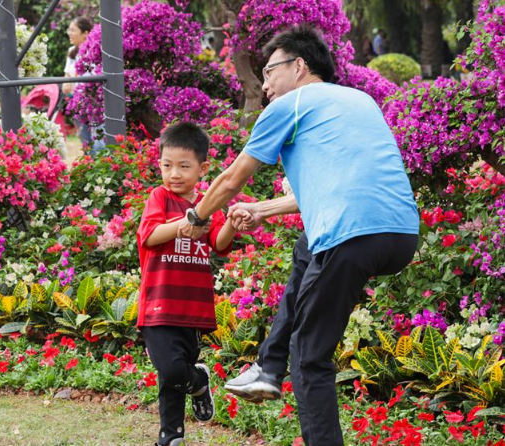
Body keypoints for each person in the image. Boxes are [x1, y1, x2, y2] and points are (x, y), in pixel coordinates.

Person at [178, 26, 419, 445]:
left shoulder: (290, 105)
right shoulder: (360, 100)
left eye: (270, 72)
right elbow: (340, 190)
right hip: (400, 235)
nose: (265, 85)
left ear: (299, 66)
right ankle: (269, 368)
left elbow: (232, 179)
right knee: (307, 248)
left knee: (309, 356)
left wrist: (197, 216)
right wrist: (263, 209)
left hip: (350, 236)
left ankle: (279, 375)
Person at [136, 122, 236, 446]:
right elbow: (150, 236)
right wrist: (185, 223)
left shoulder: (208, 204)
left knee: (172, 376)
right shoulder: (160, 197)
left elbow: (219, 243)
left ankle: (171, 436)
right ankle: (199, 382)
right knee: (172, 369)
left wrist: (232, 222)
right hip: (159, 304)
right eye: (167, 166)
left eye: (183, 166)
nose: (174, 174)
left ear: (202, 168)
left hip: (193, 309)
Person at [62, 17, 94, 148]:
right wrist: (66, 83)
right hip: (77, 101)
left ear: (85, 33)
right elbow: (67, 73)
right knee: (84, 138)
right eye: (69, 30)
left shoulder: (94, 51)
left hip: (93, 101)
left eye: (73, 30)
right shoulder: (72, 51)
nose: (69, 33)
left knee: (97, 140)